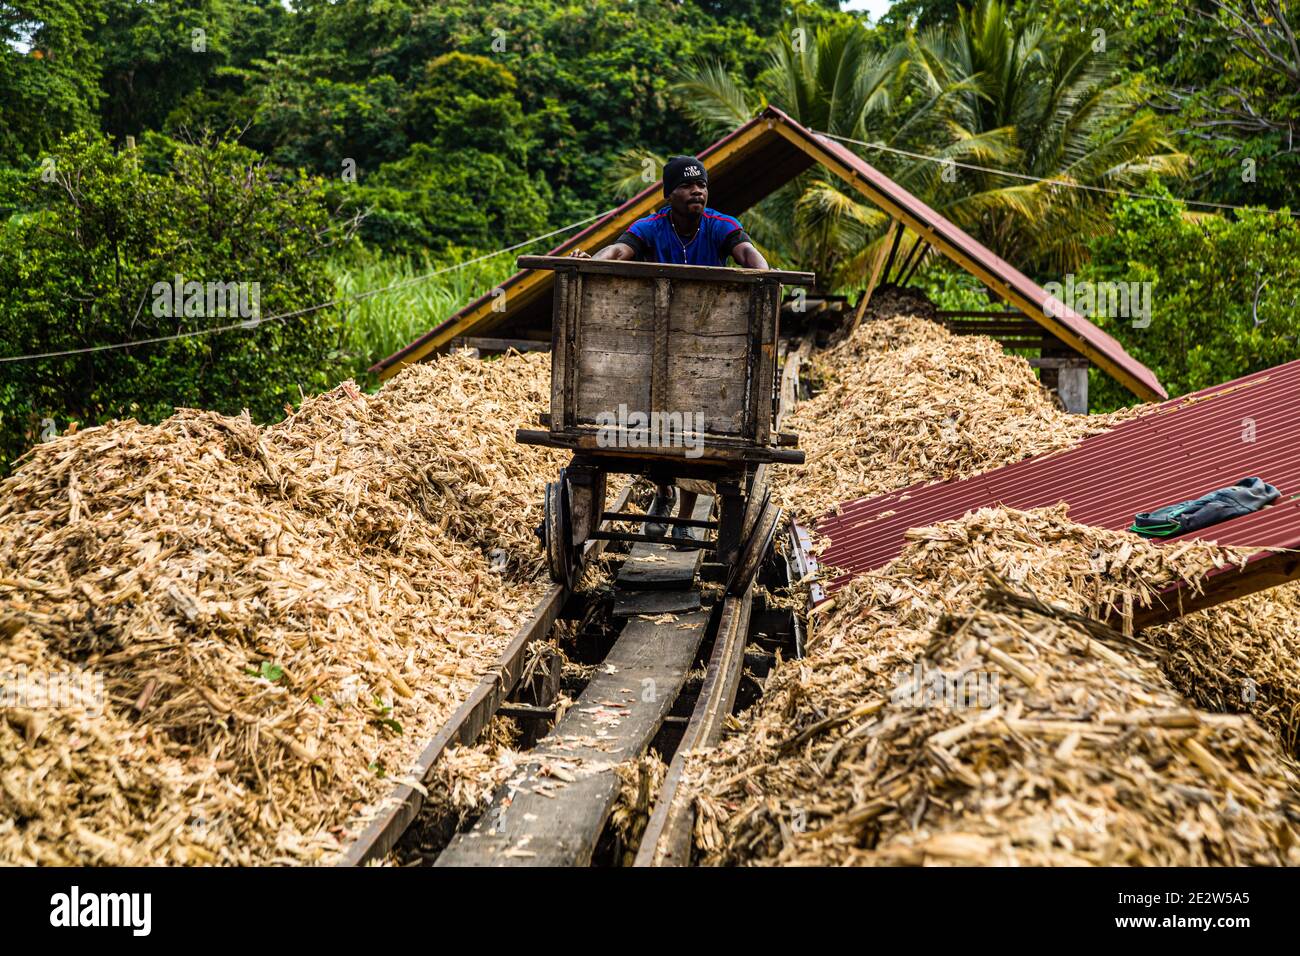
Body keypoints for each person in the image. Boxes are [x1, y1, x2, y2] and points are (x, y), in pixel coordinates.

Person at [571, 155, 768, 545]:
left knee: (697, 423)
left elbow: (749, 256)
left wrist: (767, 275)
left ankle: (683, 515)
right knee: (651, 416)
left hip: (708, 345)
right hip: (656, 344)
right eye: (687, 186)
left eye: (702, 185)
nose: (697, 191)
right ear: (669, 194)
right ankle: (662, 492)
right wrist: (589, 263)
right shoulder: (651, 227)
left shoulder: (721, 226)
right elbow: (618, 252)